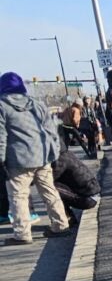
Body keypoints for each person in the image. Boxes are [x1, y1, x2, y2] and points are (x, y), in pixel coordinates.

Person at [0, 71, 70, 245]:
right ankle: (61, 225)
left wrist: (1, 160)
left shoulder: (2, 106)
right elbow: (51, 132)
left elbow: (1, 136)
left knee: (18, 196)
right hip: (42, 156)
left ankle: (23, 233)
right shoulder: (36, 105)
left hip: (18, 160)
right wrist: (52, 155)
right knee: (50, 192)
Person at [52, 149, 100, 228]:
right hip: (92, 195)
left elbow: (50, 178)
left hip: (88, 199)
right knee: (56, 187)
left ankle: (68, 218)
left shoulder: (60, 159)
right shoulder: (67, 154)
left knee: (51, 188)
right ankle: (68, 216)